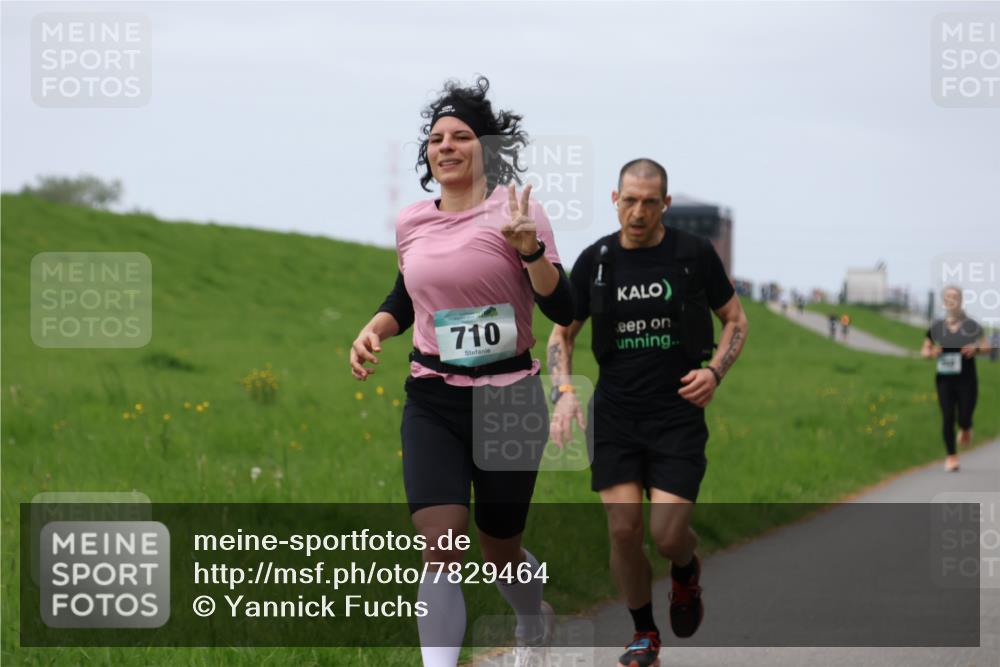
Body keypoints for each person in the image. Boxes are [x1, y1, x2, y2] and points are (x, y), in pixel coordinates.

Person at [349, 76, 574, 667]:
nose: (446, 146)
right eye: (436, 138)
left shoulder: (519, 212)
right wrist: (375, 327)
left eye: (461, 136)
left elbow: (563, 307)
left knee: (500, 550)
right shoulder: (412, 222)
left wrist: (529, 251)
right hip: (433, 397)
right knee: (441, 545)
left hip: (509, 398)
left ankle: (532, 619)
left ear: (487, 147)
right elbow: (407, 294)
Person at [546, 158, 748, 667]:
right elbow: (561, 333)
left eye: (649, 202)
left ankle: (685, 570)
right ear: (615, 200)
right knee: (622, 530)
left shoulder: (693, 255)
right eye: (629, 200)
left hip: (676, 414)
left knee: (667, 534)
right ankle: (643, 634)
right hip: (615, 415)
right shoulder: (596, 261)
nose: (638, 212)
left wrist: (715, 373)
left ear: (666, 204)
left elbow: (735, 320)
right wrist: (564, 391)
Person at [921, 286, 990, 472]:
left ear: (960, 300)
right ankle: (951, 456)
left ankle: (966, 427)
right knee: (947, 416)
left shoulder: (972, 326)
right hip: (945, 380)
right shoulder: (937, 327)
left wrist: (975, 350)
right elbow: (924, 350)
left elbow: (987, 348)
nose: (951, 299)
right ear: (944, 301)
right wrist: (932, 351)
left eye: (955, 296)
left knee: (965, 414)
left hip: (967, 379)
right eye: (948, 297)